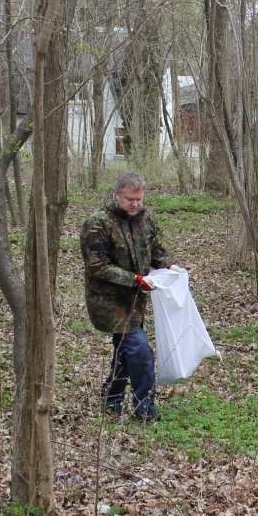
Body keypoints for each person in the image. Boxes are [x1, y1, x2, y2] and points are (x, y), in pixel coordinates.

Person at [80, 171, 173, 422]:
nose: (135, 204)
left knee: (124, 350)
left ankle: (111, 399)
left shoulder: (146, 218)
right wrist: (135, 280)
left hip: (136, 300)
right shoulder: (98, 223)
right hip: (108, 301)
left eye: (139, 199)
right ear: (117, 194)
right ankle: (144, 409)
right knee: (140, 350)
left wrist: (168, 267)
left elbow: (156, 250)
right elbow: (96, 266)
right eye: (130, 199)